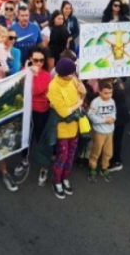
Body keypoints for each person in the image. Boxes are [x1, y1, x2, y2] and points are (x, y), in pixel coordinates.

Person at [46, 58, 87, 199]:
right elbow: (63, 112)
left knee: (71, 156)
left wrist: (84, 92)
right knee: (62, 157)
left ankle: (65, 178)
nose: (74, 75)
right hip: (62, 129)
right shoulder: (53, 86)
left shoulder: (73, 79)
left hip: (75, 127)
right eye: (71, 73)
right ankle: (56, 181)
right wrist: (80, 102)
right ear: (64, 74)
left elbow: (81, 95)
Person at [87, 79, 116, 183]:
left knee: (108, 152)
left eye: (110, 93)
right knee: (96, 151)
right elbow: (91, 115)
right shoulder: (95, 102)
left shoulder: (112, 101)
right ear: (99, 92)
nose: (108, 95)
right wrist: (104, 120)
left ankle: (104, 167)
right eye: (105, 93)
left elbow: (113, 112)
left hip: (109, 131)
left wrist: (112, 118)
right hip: (99, 132)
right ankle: (92, 168)